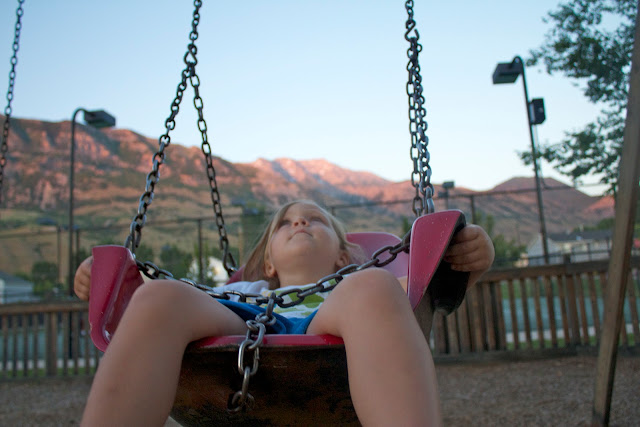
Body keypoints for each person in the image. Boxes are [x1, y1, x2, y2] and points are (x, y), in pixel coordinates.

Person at [75, 200, 494, 426]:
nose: (299, 224)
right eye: (285, 222)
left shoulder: (357, 285)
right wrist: (105, 283)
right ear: (269, 262)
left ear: (342, 254)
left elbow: (425, 290)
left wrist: (469, 258)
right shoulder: (241, 290)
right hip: (243, 320)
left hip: (329, 316)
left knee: (374, 287)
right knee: (158, 297)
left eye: (315, 219)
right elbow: (152, 306)